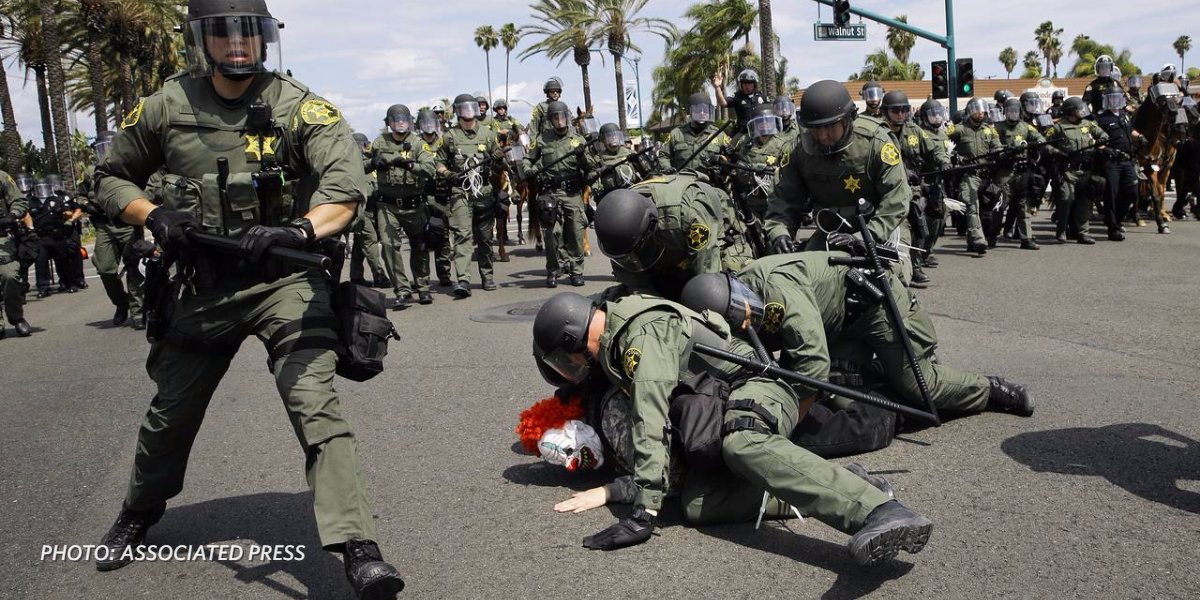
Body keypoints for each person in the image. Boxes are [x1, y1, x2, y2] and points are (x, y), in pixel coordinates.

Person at [91, 1, 404, 596]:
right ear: (201, 41)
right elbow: (108, 176)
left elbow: (346, 187)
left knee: (314, 401)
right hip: (202, 285)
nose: (238, 44)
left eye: (248, 32)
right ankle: (139, 510)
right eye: (223, 32)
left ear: (265, 39)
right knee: (171, 413)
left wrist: (300, 231)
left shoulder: (299, 106)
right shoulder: (165, 106)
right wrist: (154, 215)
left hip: (282, 280)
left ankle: (358, 547)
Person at [531, 292, 934, 566]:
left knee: (742, 443)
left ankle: (879, 511)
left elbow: (649, 419)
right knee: (698, 502)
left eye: (565, 360)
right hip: (717, 402)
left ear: (573, 339)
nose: (571, 368)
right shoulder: (617, 328)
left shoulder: (640, 336)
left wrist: (644, 511)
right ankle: (847, 484)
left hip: (756, 386)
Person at [678, 256, 1034, 418]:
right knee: (842, 397)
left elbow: (811, 364)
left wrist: (788, 423)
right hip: (840, 323)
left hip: (878, 307)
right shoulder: (735, 296)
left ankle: (990, 390)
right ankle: (882, 369)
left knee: (920, 386)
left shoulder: (775, 291)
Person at [764, 80, 911, 266]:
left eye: (829, 127)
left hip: (884, 228)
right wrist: (779, 234)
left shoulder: (876, 143)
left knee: (891, 276)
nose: (822, 135)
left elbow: (897, 198)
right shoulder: (797, 151)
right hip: (831, 231)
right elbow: (782, 198)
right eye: (815, 129)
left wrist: (867, 236)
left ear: (848, 120)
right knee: (798, 272)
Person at [594, 180, 740, 301]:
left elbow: (707, 274)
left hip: (722, 235)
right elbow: (635, 283)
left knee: (724, 296)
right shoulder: (619, 224)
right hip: (667, 242)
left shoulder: (689, 214)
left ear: (650, 228)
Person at [436, 93, 504, 296]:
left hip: (484, 191)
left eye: (470, 107)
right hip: (461, 192)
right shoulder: (449, 136)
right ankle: (463, 280)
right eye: (463, 108)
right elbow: (438, 162)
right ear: (457, 111)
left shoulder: (488, 134)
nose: (468, 112)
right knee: (462, 236)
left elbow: (500, 165)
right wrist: (447, 174)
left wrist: (498, 158)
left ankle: (487, 276)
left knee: (485, 238)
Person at [881, 90, 949, 286]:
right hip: (887, 190)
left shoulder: (915, 131)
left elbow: (933, 150)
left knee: (920, 228)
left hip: (913, 190)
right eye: (895, 111)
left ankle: (915, 267)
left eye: (904, 110)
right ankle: (892, 269)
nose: (900, 114)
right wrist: (902, 171)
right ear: (886, 112)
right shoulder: (879, 132)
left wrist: (943, 161)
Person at [522, 100, 592, 288]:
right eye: (555, 117)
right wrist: (528, 170)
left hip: (572, 193)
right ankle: (553, 270)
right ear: (550, 120)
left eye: (562, 117)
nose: (559, 120)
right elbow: (528, 159)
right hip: (550, 193)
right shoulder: (542, 139)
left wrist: (581, 156)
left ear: (567, 118)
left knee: (576, 233)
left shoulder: (578, 140)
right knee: (552, 235)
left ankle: (576, 271)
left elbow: (590, 166)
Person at [372, 104, 437, 306]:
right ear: (389, 123)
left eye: (404, 120)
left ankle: (423, 287)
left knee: (420, 246)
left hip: (414, 205)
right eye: (396, 121)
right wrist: (374, 163)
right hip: (387, 205)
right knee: (389, 246)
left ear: (410, 122)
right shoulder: (379, 142)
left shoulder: (418, 143)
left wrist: (410, 165)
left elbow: (429, 169)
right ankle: (402, 289)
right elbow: (363, 164)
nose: (400, 124)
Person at [80, 131, 147, 327]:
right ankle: (121, 303)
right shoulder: (91, 172)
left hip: (128, 224)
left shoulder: (131, 167)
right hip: (105, 226)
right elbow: (80, 195)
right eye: (102, 147)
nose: (106, 151)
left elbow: (146, 190)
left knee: (134, 267)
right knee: (104, 268)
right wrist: (86, 205)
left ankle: (138, 312)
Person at [1044, 97, 1108, 244]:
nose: (1082, 112)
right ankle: (1061, 230)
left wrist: (1101, 140)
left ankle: (1083, 233)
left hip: (1085, 170)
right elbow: (1044, 143)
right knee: (1066, 199)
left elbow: (1103, 135)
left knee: (1084, 202)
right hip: (1067, 171)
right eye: (1079, 109)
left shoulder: (1088, 124)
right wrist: (1056, 151)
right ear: (1070, 112)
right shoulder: (1058, 127)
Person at [948, 97, 1003, 254]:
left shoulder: (989, 130)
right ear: (969, 111)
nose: (979, 113)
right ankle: (979, 240)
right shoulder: (958, 129)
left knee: (987, 211)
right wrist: (954, 157)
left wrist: (1000, 152)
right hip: (968, 175)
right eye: (976, 110)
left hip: (986, 176)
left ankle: (972, 241)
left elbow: (998, 147)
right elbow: (943, 143)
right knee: (972, 206)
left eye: (982, 110)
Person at [992, 97, 1047, 250]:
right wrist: (1008, 150)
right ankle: (992, 236)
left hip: (1023, 172)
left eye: (1016, 111)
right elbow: (994, 146)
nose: (1013, 114)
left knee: (1024, 206)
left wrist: (1034, 144)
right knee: (1000, 205)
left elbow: (1041, 138)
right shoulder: (998, 127)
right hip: (1005, 172)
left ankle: (1026, 238)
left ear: (1020, 111)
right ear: (1005, 112)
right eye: (1010, 111)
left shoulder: (1026, 127)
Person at [1094, 90, 1142, 240]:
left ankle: (1118, 219)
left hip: (1127, 160)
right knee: (1111, 194)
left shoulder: (1124, 115)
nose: (1114, 101)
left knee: (1132, 192)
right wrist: (1106, 149)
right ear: (1106, 100)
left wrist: (1140, 136)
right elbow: (1094, 139)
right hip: (1111, 161)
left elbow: (1130, 129)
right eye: (1111, 98)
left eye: (1117, 98)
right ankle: (1112, 228)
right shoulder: (1101, 118)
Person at [731, 103, 790, 221]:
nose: (764, 125)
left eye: (768, 121)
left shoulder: (783, 145)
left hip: (774, 200)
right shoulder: (744, 142)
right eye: (760, 122)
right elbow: (736, 164)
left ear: (774, 122)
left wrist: (773, 172)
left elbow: (789, 174)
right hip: (750, 200)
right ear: (754, 124)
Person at [347, 132, 390, 289]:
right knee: (370, 241)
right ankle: (379, 275)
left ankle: (356, 276)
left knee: (361, 245)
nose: (367, 148)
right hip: (360, 210)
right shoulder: (355, 164)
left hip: (372, 209)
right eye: (365, 145)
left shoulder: (371, 163)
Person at [657, 92, 731, 180]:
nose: (702, 113)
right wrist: (668, 169)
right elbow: (663, 155)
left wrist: (729, 158)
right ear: (690, 111)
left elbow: (730, 161)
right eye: (698, 109)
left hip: (709, 183)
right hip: (681, 182)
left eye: (705, 110)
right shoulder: (676, 133)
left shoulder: (719, 135)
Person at [914, 100, 951, 267]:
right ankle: (918, 255)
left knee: (939, 219)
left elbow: (945, 153)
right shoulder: (920, 133)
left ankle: (927, 251)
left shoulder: (943, 134)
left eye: (938, 114)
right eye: (932, 114)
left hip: (938, 182)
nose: (936, 117)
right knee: (922, 220)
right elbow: (929, 153)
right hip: (923, 182)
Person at [28, 177, 79, 297]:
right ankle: (43, 288)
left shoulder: (55, 200)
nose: (42, 190)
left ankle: (69, 284)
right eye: (39, 188)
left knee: (63, 260)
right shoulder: (31, 202)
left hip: (56, 235)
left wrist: (67, 214)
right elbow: (26, 216)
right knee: (40, 262)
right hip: (41, 237)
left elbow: (68, 212)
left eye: (44, 187)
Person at [0, 169, 33, 338]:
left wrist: (12, 215)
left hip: (2, 237)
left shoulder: (1, 176)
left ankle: (16, 317)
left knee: (10, 275)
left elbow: (19, 200)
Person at [587, 122, 635, 202]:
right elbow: (589, 177)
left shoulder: (630, 153)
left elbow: (648, 174)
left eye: (615, 135)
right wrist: (600, 171)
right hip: (610, 197)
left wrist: (637, 161)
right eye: (609, 136)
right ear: (603, 140)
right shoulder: (599, 158)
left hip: (632, 193)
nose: (613, 138)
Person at [717, 69, 768, 135]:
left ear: (755, 84)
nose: (747, 86)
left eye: (750, 83)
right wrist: (717, 87)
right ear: (741, 84)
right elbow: (722, 102)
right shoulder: (737, 97)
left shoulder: (762, 97)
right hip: (742, 133)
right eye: (744, 83)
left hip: (760, 132)